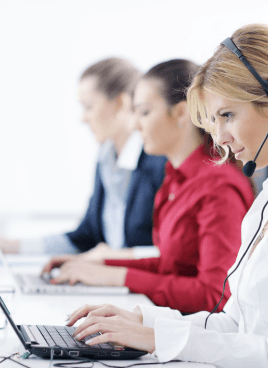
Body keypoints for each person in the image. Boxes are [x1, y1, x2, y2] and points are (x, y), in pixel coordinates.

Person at [63, 24, 268, 368]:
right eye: (215, 121)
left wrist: (156, 339)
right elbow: (235, 325)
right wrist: (141, 321)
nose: (220, 137)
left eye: (227, 115)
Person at [44, 59, 255, 314]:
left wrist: (118, 276)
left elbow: (215, 295)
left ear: (180, 114)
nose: (134, 125)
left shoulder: (218, 187)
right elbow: (170, 266)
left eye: (143, 112)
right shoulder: (175, 178)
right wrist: (101, 265)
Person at [0, 58, 166, 259]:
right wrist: (12, 246)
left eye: (89, 106)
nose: (83, 118)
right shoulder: (106, 160)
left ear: (120, 104)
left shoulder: (160, 163)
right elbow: (84, 237)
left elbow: (174, 253)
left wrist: (113, 258)